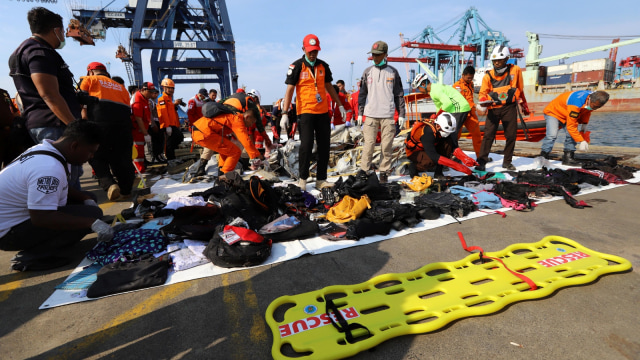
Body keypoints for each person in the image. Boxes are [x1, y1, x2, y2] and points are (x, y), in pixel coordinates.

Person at [0, 120, 113, 271]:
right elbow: (41, 217)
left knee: (88, 198)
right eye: (90, 152)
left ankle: (46, 243)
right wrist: (90, 223)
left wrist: (83, 197)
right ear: (74, 145)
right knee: (91, 214)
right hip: (8, 234)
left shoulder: (48, 149)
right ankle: (31, 257)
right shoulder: (48, 168)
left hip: (14, 219)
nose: (91, 157)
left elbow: (58, 187)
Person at [9, 7, 83, 190]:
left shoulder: (22, 51)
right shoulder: (39, 52)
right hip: (55, 126)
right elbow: (49, 94)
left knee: (60, 180)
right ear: (56, 30)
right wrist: (75, 127)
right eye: (63, 32)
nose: (64, 37)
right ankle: (74, 217)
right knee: (67, 182)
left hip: (44, 123)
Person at [280, 34, 346, 189]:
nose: (313, 53)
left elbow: (329, 87)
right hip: (305, 112)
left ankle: (321, 179)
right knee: (306, 146)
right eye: (310, 50)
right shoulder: (296, 66)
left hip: (322, 112)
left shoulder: (323, 66)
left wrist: (340, 105)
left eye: (315, 50)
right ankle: (303, 179)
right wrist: (284, 113)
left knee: (324, 146)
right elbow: (289, 90)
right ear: (303, 49)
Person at [79, 62, 135, 201]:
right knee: (122, 158)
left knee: (96, 156)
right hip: (123, 126)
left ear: (90, 72)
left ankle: (109, 185)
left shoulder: (88, 80)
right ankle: (126, 191)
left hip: (99, 123)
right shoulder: (121, 88)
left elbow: (80, 101)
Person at [357, 41, 406, 183]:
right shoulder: (367, 72)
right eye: (373, 54)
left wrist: (401, 114)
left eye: (378, 55)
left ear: (385, 54)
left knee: (386, 147)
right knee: (369, 145)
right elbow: (362, 94)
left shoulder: (393, 72)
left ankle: (384, 172)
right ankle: (364, 172)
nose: (375, 57)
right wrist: (360, 112)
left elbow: (399, 95)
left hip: (387, 115)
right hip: (371, 115)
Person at [475, 45, 530, 171]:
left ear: (506, 59)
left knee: (511, 136)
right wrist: (483, 102)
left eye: (499, 60)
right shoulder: (488, 76)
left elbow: (520, 89)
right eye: (494, 61)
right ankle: (481, 162)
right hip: (493, 109)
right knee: (488, 135)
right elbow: (483, 93)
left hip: (509, 108)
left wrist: (524, 105)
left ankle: (507, 162)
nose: (497, 63)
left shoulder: (515, 70)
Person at [191, 94, 264, 179]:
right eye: (252, 122)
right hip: (204, 132)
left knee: (227, 149)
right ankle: (226, 176)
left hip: (200, 130)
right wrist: (259, 156)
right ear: (247, 117)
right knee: (235, 152)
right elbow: (246, 141)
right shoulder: (237, 120)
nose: (251, 125)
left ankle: (222, 170)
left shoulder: (233, 116)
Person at [540, 90, 609, 165]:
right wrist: (581, 140)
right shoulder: (576, 104)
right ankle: (544, 157)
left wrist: (584, 123)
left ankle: (568, 158)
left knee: (571, 136)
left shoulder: (592, 98)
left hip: (567, 112)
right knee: (552, 135)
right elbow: (571, 127)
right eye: (595, 106)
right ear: (590, 100)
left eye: (598, 107)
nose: (595, 109)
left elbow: (586, 111)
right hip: (554, 113)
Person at [404, 112, 478, 179]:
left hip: (430, 148)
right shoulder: (427, 132)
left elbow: (454, 147)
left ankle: (438, 173)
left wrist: (465, 158)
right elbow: (433, 155)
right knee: (430, 161)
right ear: (438, 126)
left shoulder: (442, 131)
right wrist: (457, 166)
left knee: (448, 143)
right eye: (446, 131)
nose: (448, 134)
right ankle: (414, 168)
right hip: (415, 151)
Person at [411, 73, 470, 150]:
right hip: (457, 108)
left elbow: (447, 103)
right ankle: (452, 153)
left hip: (459, 108)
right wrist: (436, 118)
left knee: (451, 134)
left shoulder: (435, 91)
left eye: (418, 88)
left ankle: (455, 156)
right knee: (450, 134)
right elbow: (439, 106)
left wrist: (438, 115)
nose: (419, 90)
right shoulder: (434, 89)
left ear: (423, 84)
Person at [453, 66, 482, 157]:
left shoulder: (471, 84)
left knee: (477, 134)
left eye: (471, 78)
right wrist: (475, 105)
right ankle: (452, 155)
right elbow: (460, 101)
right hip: (460, 115)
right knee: (455, 137)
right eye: (468, 78)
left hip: (470, 115)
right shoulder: (457, 86)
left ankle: (480, 156)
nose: (470, 79)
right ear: (463, 75)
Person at [157, 78, 185, 161]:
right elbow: (163, 113)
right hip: (168, 125)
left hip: (173, 125)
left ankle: (174, 157)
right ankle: (170, 159)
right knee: (169, 143)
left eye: (172, 88)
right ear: (164, 88)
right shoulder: (162, 99)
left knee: (178, 139)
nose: (171, 90)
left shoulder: (169, 99)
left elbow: (171, 111)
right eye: (169, 88)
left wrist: (175, 104)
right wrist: (167, 126)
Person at [131, 82, 155, 173]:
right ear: (143, 90)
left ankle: (140, 169)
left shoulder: (145, 99)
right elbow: (138, 118)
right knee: (137, 151)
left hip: (142, 129)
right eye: (150, 92)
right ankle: (139, 171)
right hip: (137, 130)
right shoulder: (138, 100)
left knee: (140, 151)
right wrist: (145, 133)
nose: (152, 94)